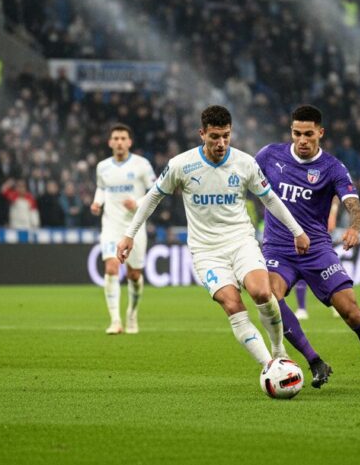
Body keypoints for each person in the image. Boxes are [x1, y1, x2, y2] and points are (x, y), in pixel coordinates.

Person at [117, 105, 309, 367]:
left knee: (263, 293)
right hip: (206, 251)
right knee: (232, 304)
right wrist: (129, 235)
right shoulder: (181, 165)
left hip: (241, 242)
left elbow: (270, 199)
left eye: (226, 136)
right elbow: (153, 198)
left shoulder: (244, 163)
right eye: (215, 137)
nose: (221, 143)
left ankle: (279, 352)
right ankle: (270, 366)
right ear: (202, 134)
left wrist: (297, 231)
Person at [257, 105, 360, 391]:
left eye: (308, 134)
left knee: (351, 311)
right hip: (278, 249)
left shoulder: (332, 167)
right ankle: (314, 360)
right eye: (296, 133)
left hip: (317, 250)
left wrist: (354, 228)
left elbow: (355, 208)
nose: (302, 140)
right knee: (269, 296)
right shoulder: (270, 155)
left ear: (320, 133)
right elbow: (243, 179)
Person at [91, 124, 157, 334]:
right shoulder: (102, 167)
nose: (119, 142)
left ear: (129, 142)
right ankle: (115, 321)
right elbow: (101, 188)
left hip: (134, 227)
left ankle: (132, 313)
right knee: (111, 268)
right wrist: (97, 202)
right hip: (111, 225)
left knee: (134, 274)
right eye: (115, 138)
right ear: (110, 142)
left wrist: (137, 203)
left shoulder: (142, 165)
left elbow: (155, 191)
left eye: (122, 138)